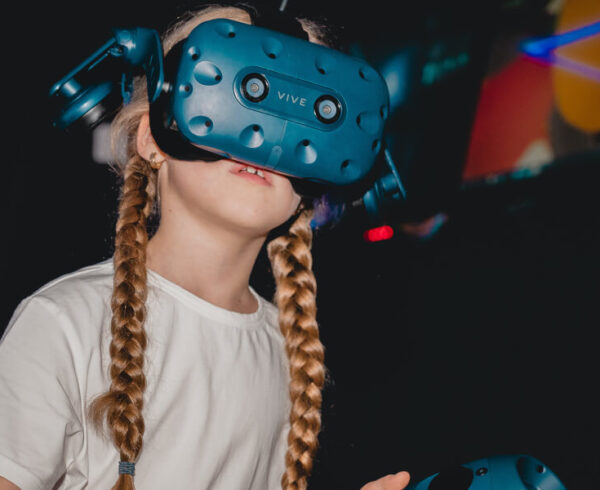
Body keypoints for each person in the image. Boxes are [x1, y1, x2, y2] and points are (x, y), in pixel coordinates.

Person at [0, 3, 411, 489]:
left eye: (303, 119)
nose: (265, 139)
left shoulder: (291, 355)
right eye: (245, 93)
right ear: (153, 137)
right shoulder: (63, 323)